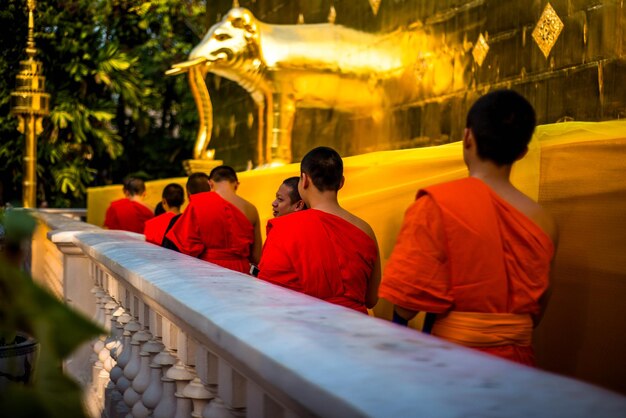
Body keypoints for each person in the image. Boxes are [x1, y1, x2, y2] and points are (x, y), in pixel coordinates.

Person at [379, 89, 559, 366]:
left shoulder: (437, 205)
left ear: (467, 137)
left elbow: (405, 306)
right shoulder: (544, 221)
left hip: (452, 362)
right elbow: (537, 313)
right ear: (522, 152)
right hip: (519, 367)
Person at [258, 146, 381, 314]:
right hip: (355, 331)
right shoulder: (365, 230)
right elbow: (371, 299)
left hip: (305, 328)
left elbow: (268, 294)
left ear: (304, 180)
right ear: (341, 182)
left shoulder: (285, 228)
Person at [165, 166, 261, 274]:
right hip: (241, 272)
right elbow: (256, 257)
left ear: (210, 183)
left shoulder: (199, 203)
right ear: (236, 185)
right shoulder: (251, 209)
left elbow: (187, 247)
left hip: (209, 269)